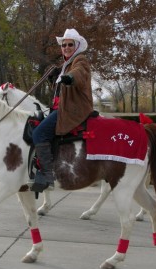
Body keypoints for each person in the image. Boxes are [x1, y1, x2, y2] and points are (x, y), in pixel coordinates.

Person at [31, 28, 94, 193]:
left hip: (72, 110)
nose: (66, 47)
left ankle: (46, 174)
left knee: (38, 133)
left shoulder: (80, 60)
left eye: (70, 44)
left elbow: (79, 73)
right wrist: (55, 79)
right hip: (60, 108)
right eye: (64, 45)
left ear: (77, 46)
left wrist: (70, 78)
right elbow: (61, 90)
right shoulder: (66, 65)